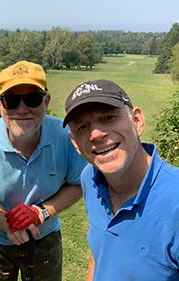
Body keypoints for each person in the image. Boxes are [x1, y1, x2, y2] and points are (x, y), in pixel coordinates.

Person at [0, 60, 87, 281]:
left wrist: (41, 212)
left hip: (45, 237)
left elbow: (78, 182)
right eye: (11, 100)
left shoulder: (64, 136)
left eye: (32, 99)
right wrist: (6, 222)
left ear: (46, 101)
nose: (22, 109)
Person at [63, 79, 179, 281]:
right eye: (82, 127)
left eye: (108, 117)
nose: (96, 134)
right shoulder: (89, 178)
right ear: (75, 143)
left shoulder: (174, 201)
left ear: (137, 121)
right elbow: (100, 252)